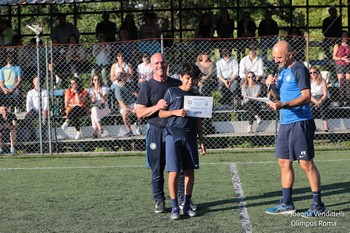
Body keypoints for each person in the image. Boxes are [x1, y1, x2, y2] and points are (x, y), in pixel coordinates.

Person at [265, 40, 325, 217]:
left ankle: (317, 204)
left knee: (305, 164)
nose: (276, 61)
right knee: (283, 162)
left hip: (300, 122)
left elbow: (306, 97)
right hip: (285, 123)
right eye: (275, 57)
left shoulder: (299, 69)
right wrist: (271, 86)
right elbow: (279, 96)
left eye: (280, 57)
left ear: (290, 54)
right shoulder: (282, 70)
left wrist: (285, 104)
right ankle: (287, 203)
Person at [136, 53, 195, 214]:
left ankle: (184, 200)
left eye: (162, 62)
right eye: (156, 63)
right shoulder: (146, 86)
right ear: (151, 65)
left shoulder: (176, 84)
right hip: (155, 131)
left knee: (181, 168)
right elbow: (139, 113)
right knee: (157, 168)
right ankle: (159, 200)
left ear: (167, 64)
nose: (159, 66)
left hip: (175, 132)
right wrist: (156, 107)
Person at [158, 62, 206, 220]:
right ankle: (174, 207)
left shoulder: (197, 95)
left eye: (193, 79)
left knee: (189, 171)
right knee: (173, 171)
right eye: (187, 78)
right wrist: (175, 112)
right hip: (172, 135)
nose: (190, 82)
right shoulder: (172, 92)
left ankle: (186, 205)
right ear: (181, 77)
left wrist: (201, 140)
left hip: (190, 136)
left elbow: (198, 119)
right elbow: (161, 114)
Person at [113, 72, 141, 137]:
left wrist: (136, 94)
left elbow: (134, 92)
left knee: (141, 108)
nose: (126, 78)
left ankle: (137, 124)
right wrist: (132, 110)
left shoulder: (129, 84)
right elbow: (122, 104)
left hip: (132, 102)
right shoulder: (117, 89)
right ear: (121, 78)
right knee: (124, 114)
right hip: (124, 105)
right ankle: (130, 131)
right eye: (125, 77)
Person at [309, 66, 330, 132]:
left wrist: (319, 101)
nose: (313, 74)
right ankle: (313, 126)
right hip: (312, 98)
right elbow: (309, 95)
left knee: (322, 105)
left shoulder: (322, 80)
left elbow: (325, 94)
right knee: (310, 107)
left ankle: (326, 126)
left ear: (317, 72)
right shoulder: (308, 81)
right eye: (310, 73)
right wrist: (316, 102)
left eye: (314, 72)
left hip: (322, 97)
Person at [332, 30, 350, 106]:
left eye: (346, 35)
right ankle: (342, 99)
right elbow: (334, 57)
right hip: (340, 64)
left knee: (348, 82)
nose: (345, 37)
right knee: (342, 82)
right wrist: (342, 59)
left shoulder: (349, 45)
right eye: (343, 35)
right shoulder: (337, 45)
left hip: (348, 64)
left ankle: (348, 99)